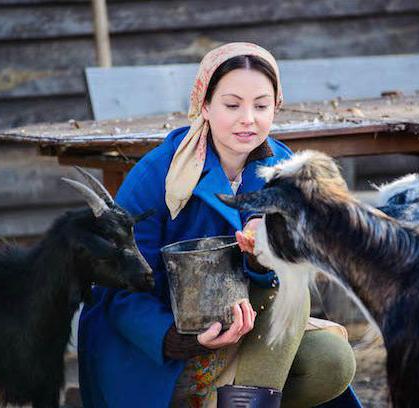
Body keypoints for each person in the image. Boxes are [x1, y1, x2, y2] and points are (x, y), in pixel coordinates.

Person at [78, 42, 362, 408]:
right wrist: (183, 339)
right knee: (288, 291)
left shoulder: (284, 170)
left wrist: (263, 257)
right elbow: (116, 289)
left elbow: (292, 276)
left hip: (248, 333)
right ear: (205, 105)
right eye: (232, 105)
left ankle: (238, 400)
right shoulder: (156, 175)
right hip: (161, 351)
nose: (248, 118)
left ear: (276, 106)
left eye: (261, 105)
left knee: (330, 361)